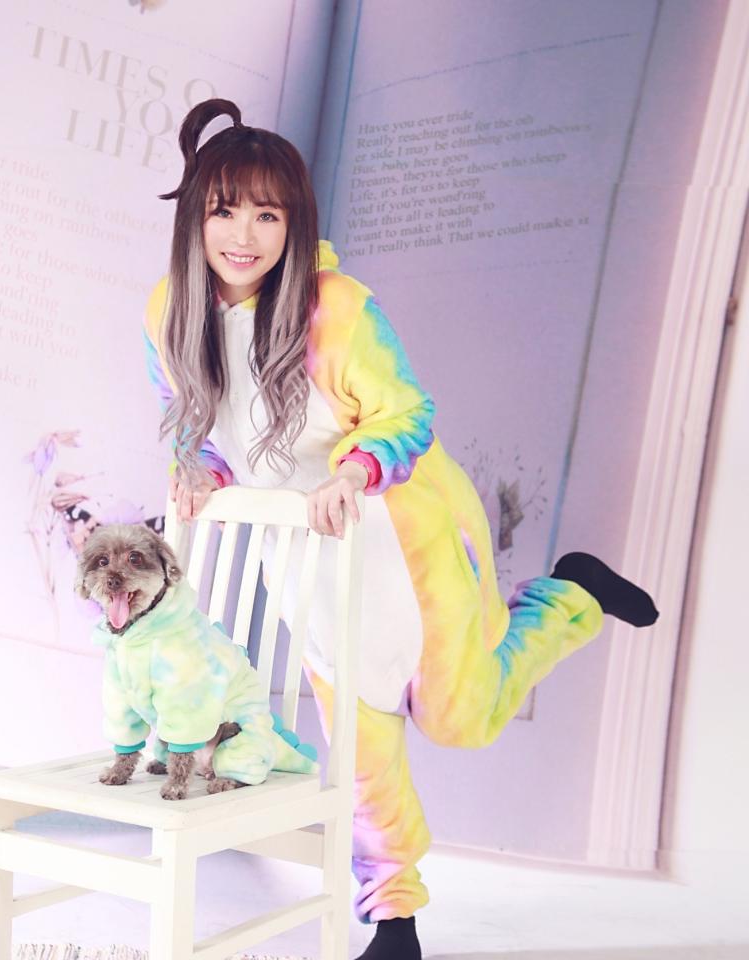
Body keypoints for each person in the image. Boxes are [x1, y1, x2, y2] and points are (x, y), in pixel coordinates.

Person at [140, 97, 658, 960]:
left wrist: (351, 471)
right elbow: (200, 426)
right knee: (361, 747)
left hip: (401, 540)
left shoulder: (336, 308)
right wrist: (197, 472)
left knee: (460, 721)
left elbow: (407, 413)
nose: (243, 235)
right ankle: (394, 918)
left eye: (268, 215)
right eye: (224, 210)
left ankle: (571, 594)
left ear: (294, 224)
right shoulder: (166, 314)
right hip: (305, 562)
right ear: (195, 215)